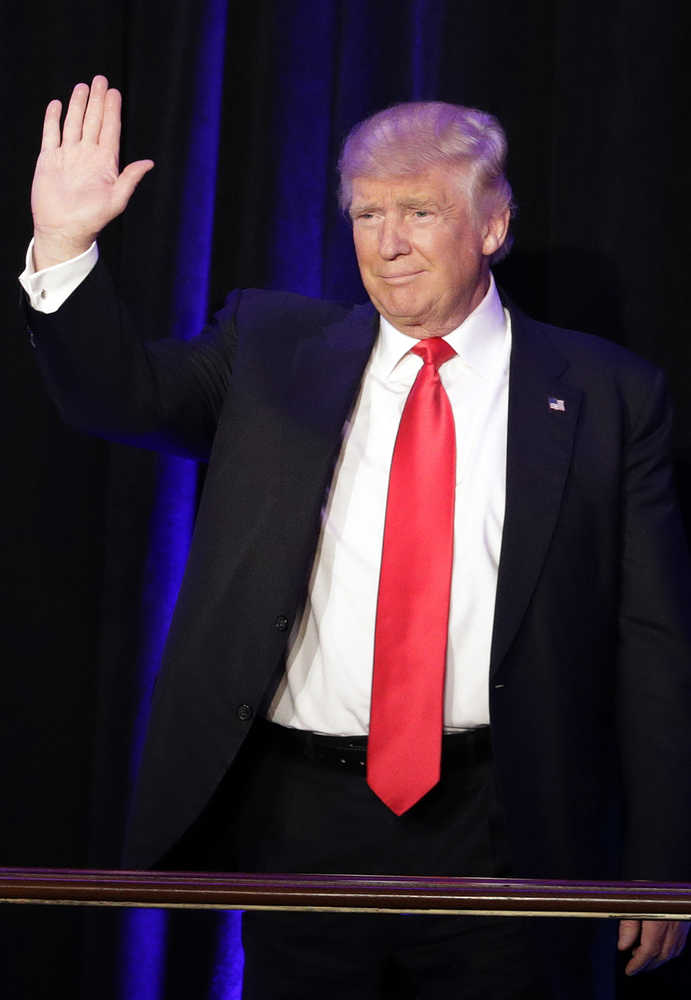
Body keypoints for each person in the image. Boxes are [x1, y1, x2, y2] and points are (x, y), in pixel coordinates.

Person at [20, 76, 691, 998]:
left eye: (419, 210)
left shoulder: (609, 394)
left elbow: (653, 645)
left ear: (492, 226)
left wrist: (661, 861)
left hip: (508, 821)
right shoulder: (270, 348)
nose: (388, 242)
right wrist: (63, 245)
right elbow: (119, 396)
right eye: (366, 213)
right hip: (305, 819)